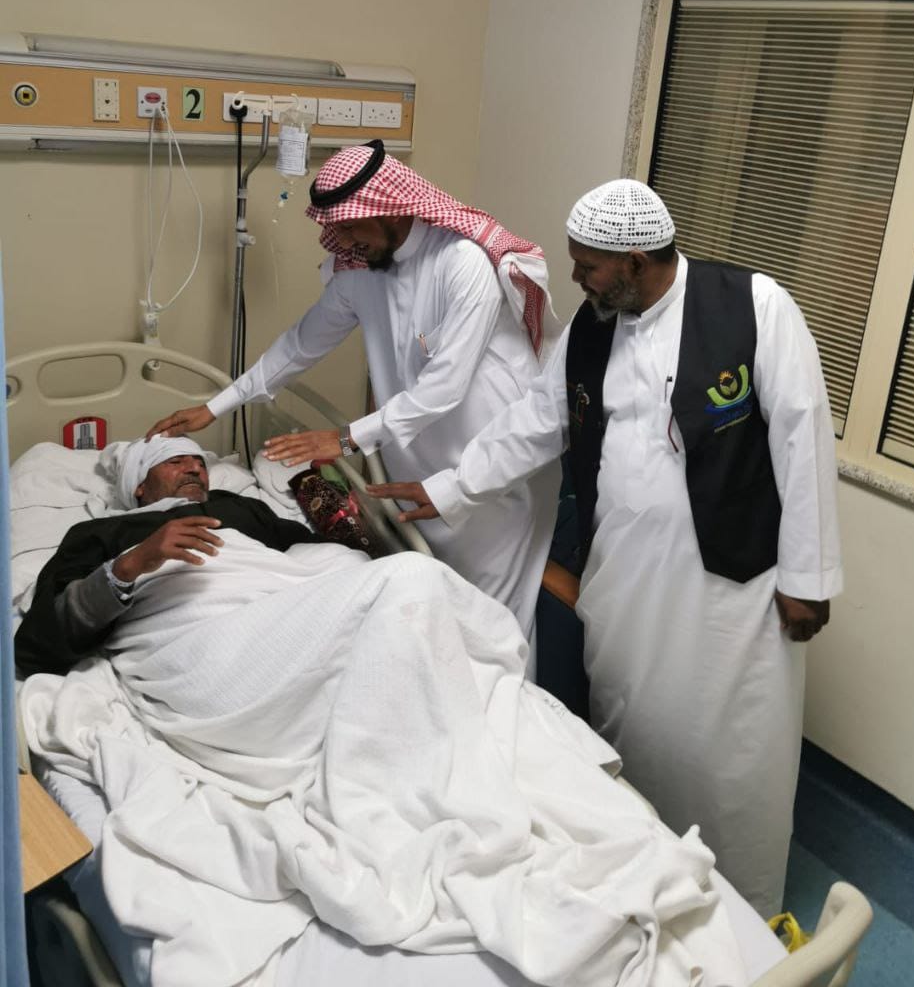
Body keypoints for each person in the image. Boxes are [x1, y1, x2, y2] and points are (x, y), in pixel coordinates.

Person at [366, 178, 843, 917]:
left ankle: (744, 913)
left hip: (733, 587)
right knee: (634, 729)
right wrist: (449, 487)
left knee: (734, 753)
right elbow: (532, 424)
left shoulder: (754, 306)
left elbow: (802, 434)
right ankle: (648, 886)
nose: (576, 278)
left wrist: (807, 576)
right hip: (623, 575)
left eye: (588, 265)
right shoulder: (591, 330)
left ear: (636, 261)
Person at [146, 141, 561, 645]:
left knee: (494, 630)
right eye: (335, 229)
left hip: (488, 478)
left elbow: (442, 388)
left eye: (349, 227)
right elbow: (299, 346)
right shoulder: (362, 271)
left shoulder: (462, 263)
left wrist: (343, 439)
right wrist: (216, 406)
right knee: (440, 627)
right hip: (418, 475)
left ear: (391, 210)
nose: (341, 240)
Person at [15, 437, 314, 677]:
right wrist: (129, 565)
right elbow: (36, 647)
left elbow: (315, 551)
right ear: (140, 485)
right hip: (198, 636)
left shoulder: (239, 507)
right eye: (176, 461)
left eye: (201, 463)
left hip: (284, 608)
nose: (195, 468)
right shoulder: (102, 531)